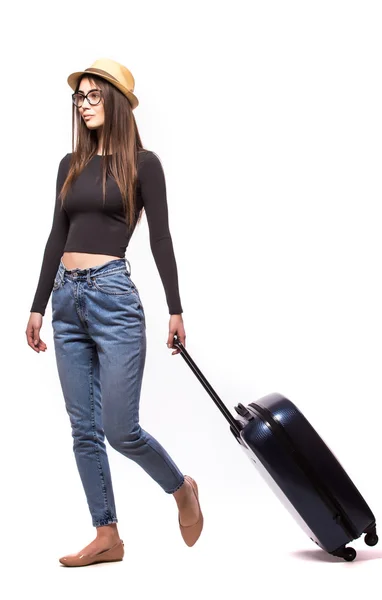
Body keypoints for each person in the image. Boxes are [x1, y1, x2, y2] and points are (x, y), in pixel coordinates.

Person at [25, 58, 203, 567]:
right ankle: (107, 534)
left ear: (117, 102)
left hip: (113, 299)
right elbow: (55, 236)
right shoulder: (70, 164)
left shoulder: (144, 165)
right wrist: (38, 305)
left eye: (93, 95)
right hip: (65, 301)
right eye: (78, 97)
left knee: (120, 427)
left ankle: (181, 487)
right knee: (83, 428)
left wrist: (175, 307)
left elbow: (161, 238)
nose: (83, 104)